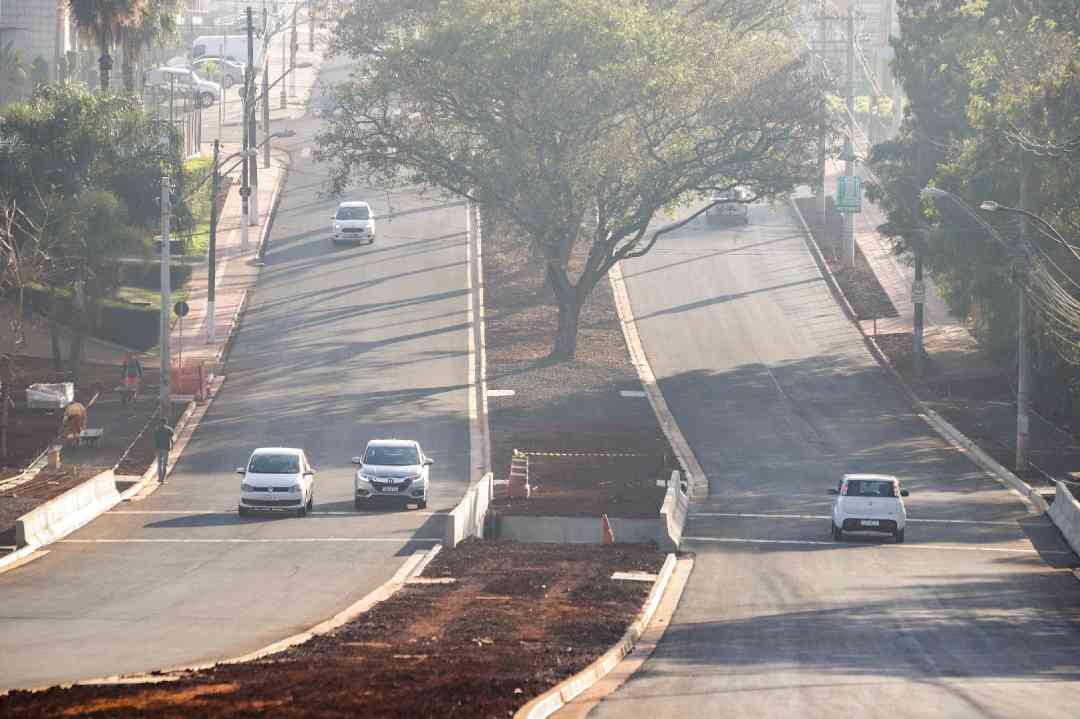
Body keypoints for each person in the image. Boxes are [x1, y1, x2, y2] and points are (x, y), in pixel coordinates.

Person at [154, 417, 174, 484]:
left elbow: (155, 439)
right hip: (165, 448)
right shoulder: (168, 429)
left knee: (159, 464)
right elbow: (171, 438)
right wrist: (172, 446)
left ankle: (159, 478)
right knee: (165, 464)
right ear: (166, 422)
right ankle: (163, 479)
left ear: (160, 422)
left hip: (158, 448)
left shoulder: (157, 429)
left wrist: (155, 448)